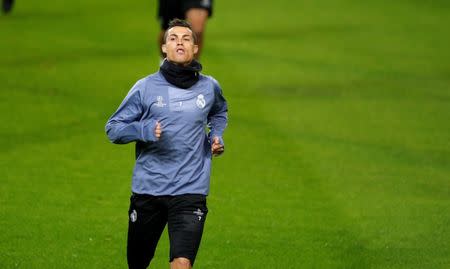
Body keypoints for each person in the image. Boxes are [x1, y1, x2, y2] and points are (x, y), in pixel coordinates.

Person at [105, 19, 227, 269]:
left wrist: (216, 135)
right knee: (138, 263)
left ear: (195, 48)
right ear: (163, 48)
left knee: (182, 263)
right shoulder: (145, 87)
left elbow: (219, 112)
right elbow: (113, 129)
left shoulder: (210, 87)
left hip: (190, 190)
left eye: (186, 38)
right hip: (150, 188)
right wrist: (143, 129)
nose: (179, 42)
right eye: (173, 38)